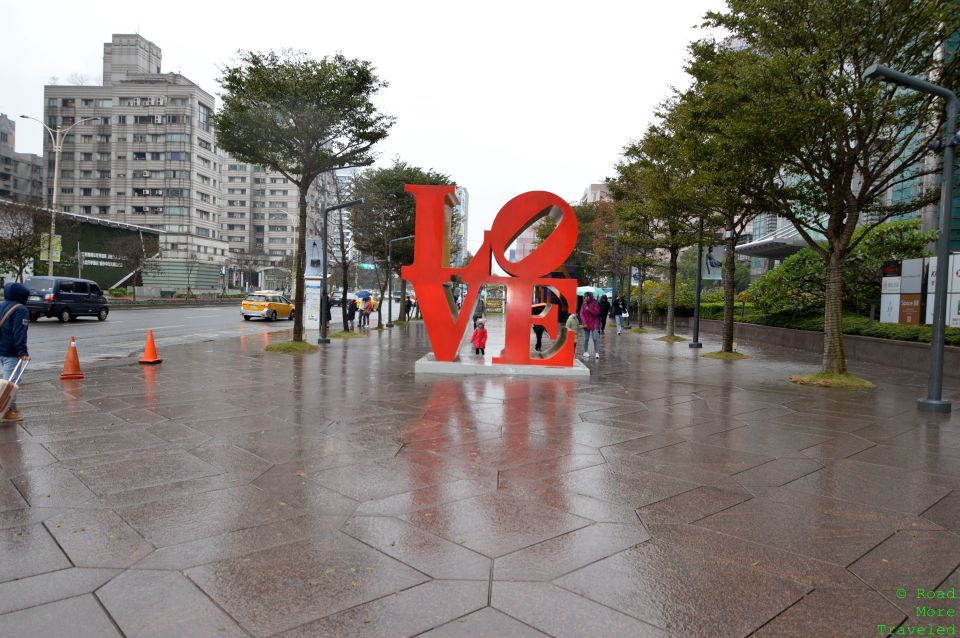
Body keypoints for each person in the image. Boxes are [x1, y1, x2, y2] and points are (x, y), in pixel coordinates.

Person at [0, 282, 30, 422]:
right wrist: (22, 351)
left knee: (6, 381)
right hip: (10, 351)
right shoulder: (20, 309)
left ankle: (11, 406)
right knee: (11, 381)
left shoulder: (1, 305)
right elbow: (19, 332)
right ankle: (8, 410)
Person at [579, 291, 601, 360]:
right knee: (586, 338)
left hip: (594, 323)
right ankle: (585, 352)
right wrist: (584, 322)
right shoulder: (584, 304)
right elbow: (581, 313)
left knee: (595, 338)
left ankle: (597, 353)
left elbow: (597, 313)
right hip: (586, 323)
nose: (586, 298)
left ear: (590, 296)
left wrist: (589, 310)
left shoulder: (595, 303)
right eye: (585, 297)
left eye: (587, 296)